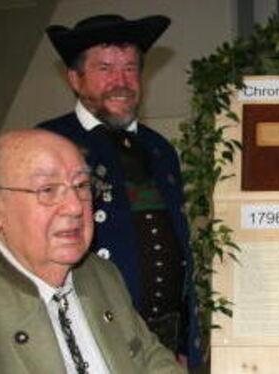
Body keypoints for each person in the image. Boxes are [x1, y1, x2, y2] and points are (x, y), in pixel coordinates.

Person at [0, 129, 185, 373]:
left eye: (81, 186)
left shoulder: (102, 274)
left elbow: (152, 359)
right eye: (47, 189)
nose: (74, 207)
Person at [38, 14, 202, 368]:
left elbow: (179, 242)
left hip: (164, 342)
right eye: (105, 69)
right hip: (94, 338)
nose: (121, 81)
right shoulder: (47, 143)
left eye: (130, 69)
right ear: (75, 79)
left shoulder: (159, 148)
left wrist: (187, 338)